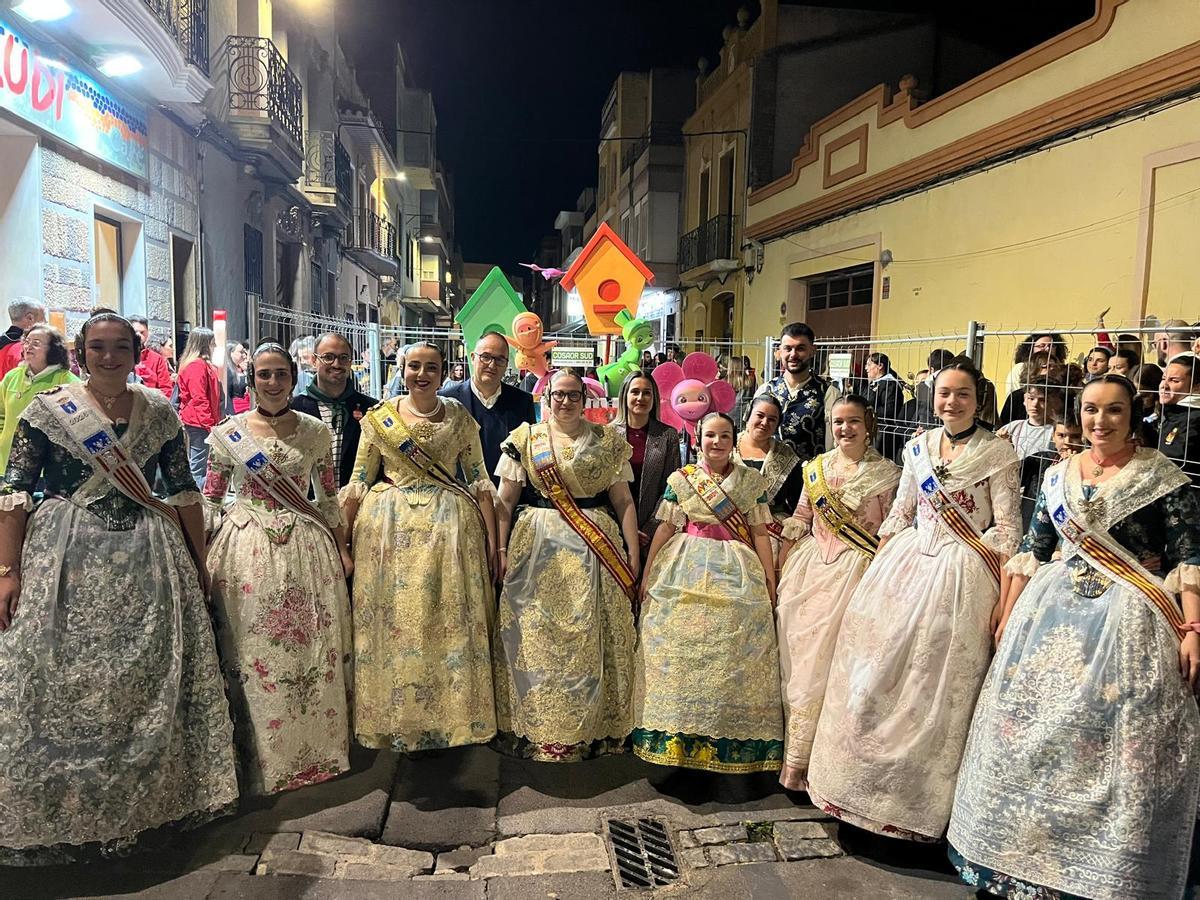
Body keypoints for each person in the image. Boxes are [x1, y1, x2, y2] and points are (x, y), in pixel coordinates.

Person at [948, 374, 1200, 900]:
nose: (1099, 421)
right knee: (1030, 734)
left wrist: (1194, 628)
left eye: (1113, 410)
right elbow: (1037, 548)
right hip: (1051, 615)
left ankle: (1106, 871)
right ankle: (1020, 854)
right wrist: (1008, 612)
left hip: (1131, 620)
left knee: (1114, 742)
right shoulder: (1059, 475)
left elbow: (1188, 558)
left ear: (1134, 415)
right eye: (1090, 409)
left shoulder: (1163, 478)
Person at [0, 312, 236, 863]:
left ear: (136, 351)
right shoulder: (47, 410)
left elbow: (181, 492)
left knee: (148, 674)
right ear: (81, 352)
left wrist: (200, 563)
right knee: (62, 674)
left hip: (148, 557)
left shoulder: (159, 411)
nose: (110, 356)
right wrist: (7, 572)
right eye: (98, 347)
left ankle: (145, 806)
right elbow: (14, 493)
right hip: (65, 556)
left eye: (120, 347)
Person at [806, 357, 1021, 841]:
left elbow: (1007, 530)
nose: (952, 402)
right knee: (870, 673)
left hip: (961, 574)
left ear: (978, 398)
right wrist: (877, 574)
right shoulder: (919, 447)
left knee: (931, 686)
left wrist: (1003, 601)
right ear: (934, 397)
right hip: (904, 566)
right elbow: (900, 513)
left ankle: (913, 810)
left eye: (962, 394)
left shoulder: (998, 453)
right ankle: (853, 792)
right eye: (944, 393)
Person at [203, 344, 353, 794]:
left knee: (311, 647)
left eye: (281, 374)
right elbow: (211, 497)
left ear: (293, 376)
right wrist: (203, 550)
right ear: (252, 378)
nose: (272, 383)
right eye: (264, 375)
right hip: (245, 546)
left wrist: (342, 548)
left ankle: (313, 750)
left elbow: (327, 496)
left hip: (306, 549)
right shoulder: (226, 434)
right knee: (252, 650)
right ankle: (259, 756)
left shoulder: (314, 432)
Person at [342, 342, 498, 752]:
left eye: (431, 367)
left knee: (446, 623)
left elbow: (481, 482)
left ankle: (451, 719)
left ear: (444, 372)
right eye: (414, 366)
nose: (422, 374)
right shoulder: (380, 419)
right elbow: (359, 480)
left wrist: (493, 545)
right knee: (398, 627)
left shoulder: (461, 417)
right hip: (389, 534)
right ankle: (397, 720)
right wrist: (342, 539)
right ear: (401, 368)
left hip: (450, 534)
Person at [492, 368, 639, 761]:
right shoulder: (526, 440)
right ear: (547, 396)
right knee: (536, 638)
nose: (566, 402)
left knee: (592, 636)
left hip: (595, 543)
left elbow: (624, 502)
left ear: (585, 399)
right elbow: (504, 503)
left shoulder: (608, 440)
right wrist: (501, 551)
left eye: (574, 395)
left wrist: (632, 554)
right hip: (536, 545)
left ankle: (589, 730)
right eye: (559, 394)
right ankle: (538, 729)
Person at [632, 411, 783, 773]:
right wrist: (649, 572)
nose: (717, 443)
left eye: (725, 437)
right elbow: (666, 528)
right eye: (710, 436)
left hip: (737, 569)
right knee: (680, 652)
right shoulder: (682, 480)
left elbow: (760, 532)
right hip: (683, 564)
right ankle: (675, 739)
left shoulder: (751, 481)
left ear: (734, 441)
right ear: (698, 439)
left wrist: (769, 579)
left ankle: (725, 740)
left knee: (730, 654)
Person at [774, 396, 901, 790]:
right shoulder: (817, 469)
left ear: (869, 425)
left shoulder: (887, 474)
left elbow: (890, 531)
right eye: (838, 422)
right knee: (798, 664)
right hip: (810, 572)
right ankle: (791, 758)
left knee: (837, 667)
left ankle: (826, 764)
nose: (845, 429)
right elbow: (800, 518)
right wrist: (781, 565)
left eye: (853, 422)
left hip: (857, 572)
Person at [439, 332, 536, 488]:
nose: (492, 365)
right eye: (485, 356)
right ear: (472, 357)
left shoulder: (522, 402)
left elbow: (528, 456)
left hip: (508, 500)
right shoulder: (447, 400)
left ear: (506, 364)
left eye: (499, 359)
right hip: (460, 497)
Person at [291, 333, 377, 489]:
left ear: (350, 362)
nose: (336, 364)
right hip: (308, 506)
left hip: (356, 506)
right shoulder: (294, 410)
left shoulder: (370, 409)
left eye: (344, 358)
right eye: (328, 357)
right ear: (313, 360)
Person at [612, 370, 681, 550]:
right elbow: (601, 488)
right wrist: (624, 527)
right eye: (635, 391)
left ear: (654, 398)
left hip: (652, 533)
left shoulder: (668, 435)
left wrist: (650, 527)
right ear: (624, 395)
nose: (640, 397)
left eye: (647, 392)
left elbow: (671, 488)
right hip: (613, 529)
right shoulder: (607, 435)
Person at [756, 323, 839, 463]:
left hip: (810, 479)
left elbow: (834, 445)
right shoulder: (765, 390)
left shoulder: (829, 393)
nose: (793, 355)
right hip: (768, 477)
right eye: (788, 348)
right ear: (779, 352)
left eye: (800, 348)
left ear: (813, 351)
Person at [0, 325, 78, 472]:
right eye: (27, 342)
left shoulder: (68, 381)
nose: (28, 347)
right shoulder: (12, 376)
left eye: (36, 343)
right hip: (5, 463)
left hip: (46, 469)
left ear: (53, 349)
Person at [734, 395, 804, 553]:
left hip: (772, 534)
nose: (765, 423)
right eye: (760, 416)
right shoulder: (728, 447)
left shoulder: (786, 455)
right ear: (748, 415)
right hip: (729, 527)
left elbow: (796, 501)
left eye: (772, 419)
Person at [177, 328, 221, 489]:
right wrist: (210, 425)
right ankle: (199, 503)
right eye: (212, 342)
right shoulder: (197, 366)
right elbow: (199, 398)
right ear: (205, 344)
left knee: (200, 465)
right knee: (199, 467)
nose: (215, 345)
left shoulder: (198, 365)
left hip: (199, 421)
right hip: (198, 423)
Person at [1157, 353, 1200, 486]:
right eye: (1164, 378)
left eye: (1174, 381)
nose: (1164, 385)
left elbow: (1173, 459)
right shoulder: (1172, 413)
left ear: (1196, 387)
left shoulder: (1194, 419)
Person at [864, 352, 906, 460]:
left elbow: (889, 411)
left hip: (883, 434)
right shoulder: (873, 384)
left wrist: (868, 411)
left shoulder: (890, 385)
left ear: (880, 366)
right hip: (871, 430)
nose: (866, 368)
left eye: (869, 364)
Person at [1002, 333, 1068, 399]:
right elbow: (1013, 395)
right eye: (1042, 345)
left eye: (1052, 346)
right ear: (1031, 348)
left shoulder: (1060, 370)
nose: (1048, 349)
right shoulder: (1019, 368)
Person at [128, 316, 174, 399]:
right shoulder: (121, 356)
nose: (138, 335)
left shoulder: (156, 359)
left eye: (142, 332)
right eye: (135, 332)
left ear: (147, 333)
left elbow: (166, 389)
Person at [0, 298, 46, 379]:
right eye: (43, 317)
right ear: (30, 318)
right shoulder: (28, 350)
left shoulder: (3, 343)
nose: (46, 322)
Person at [728, 356, 757, 427]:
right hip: (744, 414)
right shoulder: (750, 380)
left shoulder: (725, 381)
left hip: (728, 413)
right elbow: (754, 395)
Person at [223, 341, 249, 416]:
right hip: (235, 411)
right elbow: (227, 396)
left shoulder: (241, 370)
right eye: (241, 352)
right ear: (230, 353)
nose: (244, 355)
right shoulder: (227, 371)